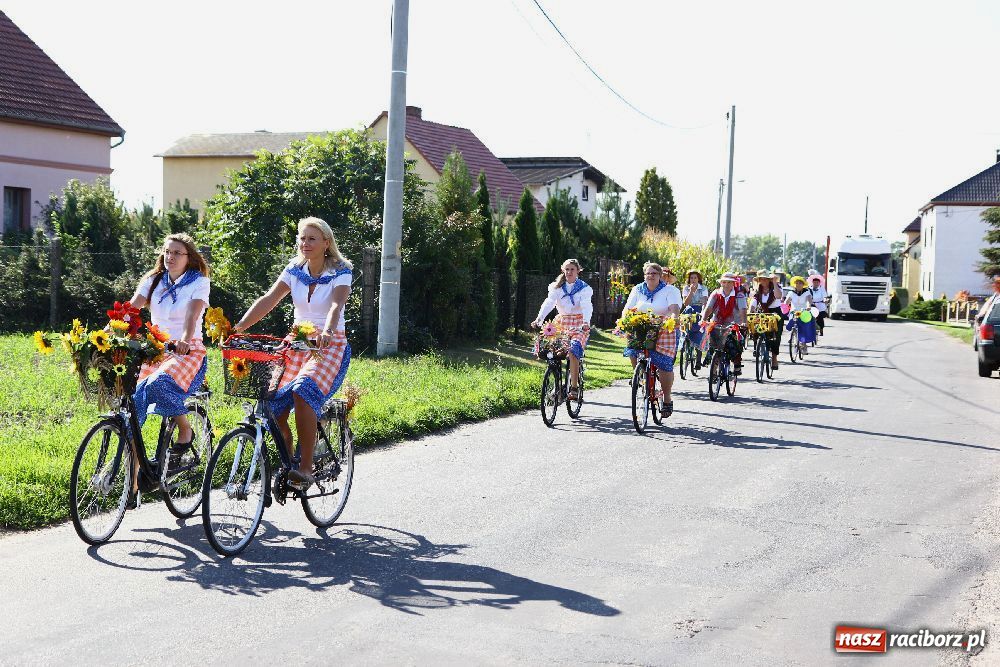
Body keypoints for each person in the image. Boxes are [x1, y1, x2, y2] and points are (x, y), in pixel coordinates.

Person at [233, 217, 353, 489]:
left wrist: (328, 332)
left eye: (312, 238)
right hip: (297, 341)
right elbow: (269, 299)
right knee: (271, 403)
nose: (305, 243)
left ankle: (307, 467)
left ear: (326, 243)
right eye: (301, 237)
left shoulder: (340, 271)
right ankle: (288, 464)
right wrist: (239, 327)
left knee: (303, 389)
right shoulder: (294, 269)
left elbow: (336, 305)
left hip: (327, 345)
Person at [129, 233, 211, 503]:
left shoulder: (198, 282)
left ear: (189, 258)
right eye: (167, 251)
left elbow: (193, 313)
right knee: (132, 406)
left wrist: (185, 339)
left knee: (158, 384)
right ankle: (132, 485)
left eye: (177, 253)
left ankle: (185, 430)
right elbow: (132, 310)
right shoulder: (152, 280)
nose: (170, 257)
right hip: (156, 350)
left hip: (187, 351)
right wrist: (110, 332)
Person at [621, 262, 682, 416]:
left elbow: (674, 309)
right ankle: (640, 376)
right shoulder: (637, 289)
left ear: (660, 275)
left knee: (664, 364)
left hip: (663, 327)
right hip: (641, 325)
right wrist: (624, 321)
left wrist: (673, 319)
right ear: (644, 275)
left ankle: (667, 399)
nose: (651, 276)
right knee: (633, 349)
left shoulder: (670, 290)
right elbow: (628, 309)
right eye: (648, 273)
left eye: (654, 273)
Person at [532, 258, 593, 400]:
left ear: (578, 271)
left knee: (573, 350)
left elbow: (586, 305)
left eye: (572, 269)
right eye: (567, 269)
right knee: (553, 351)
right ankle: (557, 386)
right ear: (562, 270)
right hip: (562, 322)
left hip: (579, 323)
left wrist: (586, 322)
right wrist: (539, 319)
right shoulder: (556, 287)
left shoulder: (584, 288)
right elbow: (549, 303)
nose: (569, 272)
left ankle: (574, 388)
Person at [701, 272, 747, 373]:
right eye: (724, 282)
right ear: (721, 283)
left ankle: (736, 364)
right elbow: (708, 308)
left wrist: (744, 323)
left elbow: (743, 310)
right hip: (717, 322)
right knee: (714, 345)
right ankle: (713, 370)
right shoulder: (716, 294)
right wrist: (703, 319)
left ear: (733, 283)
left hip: (734, 324)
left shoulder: (739, 295)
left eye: (729, 282)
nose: (726, 284)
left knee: (733, 343)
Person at [748, 271, 785, 370]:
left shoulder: (776, 287)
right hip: (762, 312)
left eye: (765, 278)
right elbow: (754, 301)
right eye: (760, 279)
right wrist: (751, 310)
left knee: (775, 335)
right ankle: (757, 346)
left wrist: (774, 282)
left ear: (769, 280)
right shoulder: (757, 290)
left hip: (775, 313)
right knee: (754, 327)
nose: (762, 281)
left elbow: (778, 296)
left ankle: (774, 357)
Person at [784, 275, 816, 354]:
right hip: (794, 311)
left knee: (804, 326)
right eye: (797, 283)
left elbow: (809, 300)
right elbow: (787, 301)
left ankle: (803, 344)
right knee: (791, 321)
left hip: (804, 311)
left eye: (800, 283)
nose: (798, 285)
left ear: (803, 285)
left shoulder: (806, 292)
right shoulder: (791, 292)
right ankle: (792, 335)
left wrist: (809, 306)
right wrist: (785, 306)